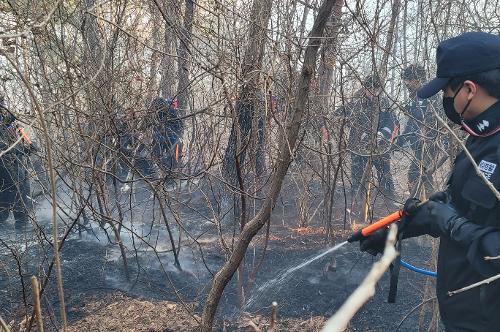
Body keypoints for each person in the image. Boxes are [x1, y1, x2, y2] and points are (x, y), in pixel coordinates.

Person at [360, 32, 500, 331]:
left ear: (469, 90)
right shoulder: (479, 140)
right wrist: (396, 230)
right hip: (463, 314)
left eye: (446, 93)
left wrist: (452, 223)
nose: (445, 101)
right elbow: (463, 208)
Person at [339, 75, 399, 217]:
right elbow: (338, 116)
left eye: (376, 89)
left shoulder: (385, 104)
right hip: (359, 150)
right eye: (369, 88)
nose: (372, 92)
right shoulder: (356, 104)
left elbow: (392, 123)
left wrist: (380, 135)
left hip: (380, 149)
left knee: (385, 177)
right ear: (365, 88)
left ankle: (390, 207)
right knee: (357, 179)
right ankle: (356, 208)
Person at [399, 64, 442, 196]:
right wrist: (401, 139)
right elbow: (413, 122)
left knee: (415, 174)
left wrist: (412, 110)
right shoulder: (415, 96)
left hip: (429, 142)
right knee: (425, 175)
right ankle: (427, 203)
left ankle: (418, 203)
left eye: (408, 80)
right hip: (418, 143)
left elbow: (431, 119)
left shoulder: (430, 94)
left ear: (416, 79)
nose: (406, 84)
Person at [0, 96, 34, 231]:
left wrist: (29, 147)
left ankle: (22, 235)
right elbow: (5, 147)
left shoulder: (10, 125)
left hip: (18, 168)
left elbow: (15, 145)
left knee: (21, 207)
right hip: (5, 172)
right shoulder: (5, 123)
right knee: (6, 205)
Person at [151, 97, 183, 172]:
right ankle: (168, 169)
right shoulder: (170, 111)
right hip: (168, 138)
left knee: (170, 159)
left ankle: (167, 169)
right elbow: (180, 126)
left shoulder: (167, 111)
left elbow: (179, 125)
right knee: (171, 159)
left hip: (168, 138)